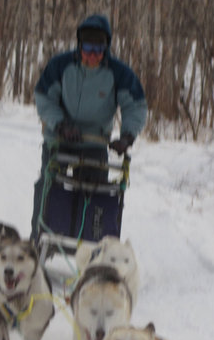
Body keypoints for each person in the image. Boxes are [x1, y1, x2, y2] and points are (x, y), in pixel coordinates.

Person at [31, 13, 147, 242]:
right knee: (48, 186)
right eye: (87, 48)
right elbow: (44, 98)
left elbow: (135, 106)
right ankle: (38, 238)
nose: (92, 55)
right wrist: (61, 124)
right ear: (79, 45)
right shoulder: (61, 66)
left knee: (95, 195)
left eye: (98, 50)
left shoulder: (119, 73)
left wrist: (127, 135)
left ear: (106, 48)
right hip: (61, 138)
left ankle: (92, 243)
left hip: (95, 141)